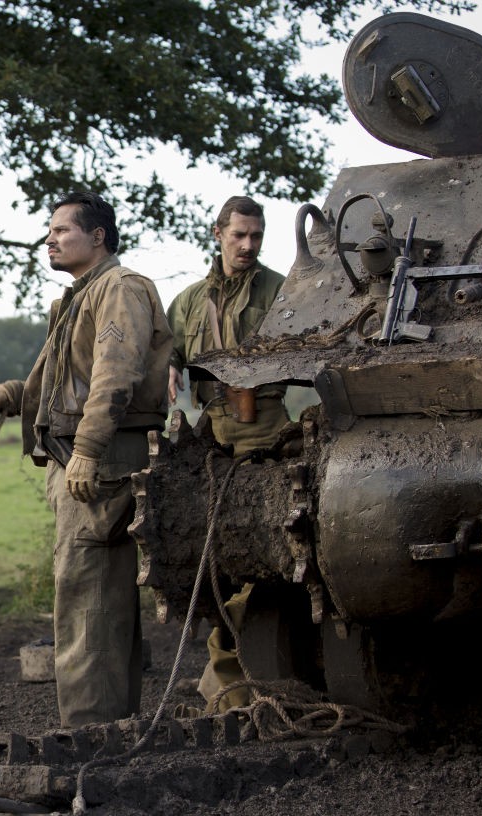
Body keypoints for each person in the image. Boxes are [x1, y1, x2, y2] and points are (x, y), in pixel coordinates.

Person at [0, 191, 171, 728]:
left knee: (86, 600)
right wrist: (10, 395)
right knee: (99, 601)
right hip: (90, 459)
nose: (49, 239)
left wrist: (86, 450)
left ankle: (88, 735)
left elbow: (115, 375)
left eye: (61, 230)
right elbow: (63, 379)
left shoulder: (119, 289)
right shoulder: (78, 297)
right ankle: (111, 729)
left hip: (102, 464)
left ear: (97, 236)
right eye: (49, 230)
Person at [165, 195, 288, 713]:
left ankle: (239, 686)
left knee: (262, 569)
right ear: (216, 234)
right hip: (211, 445)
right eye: (238, 235)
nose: (248, 245)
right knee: (214, 569)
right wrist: (168, 368)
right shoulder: (190, 300)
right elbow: (166, 351)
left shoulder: (283, 290)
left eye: (256, 236)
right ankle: (231, 685)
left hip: (268, 441)